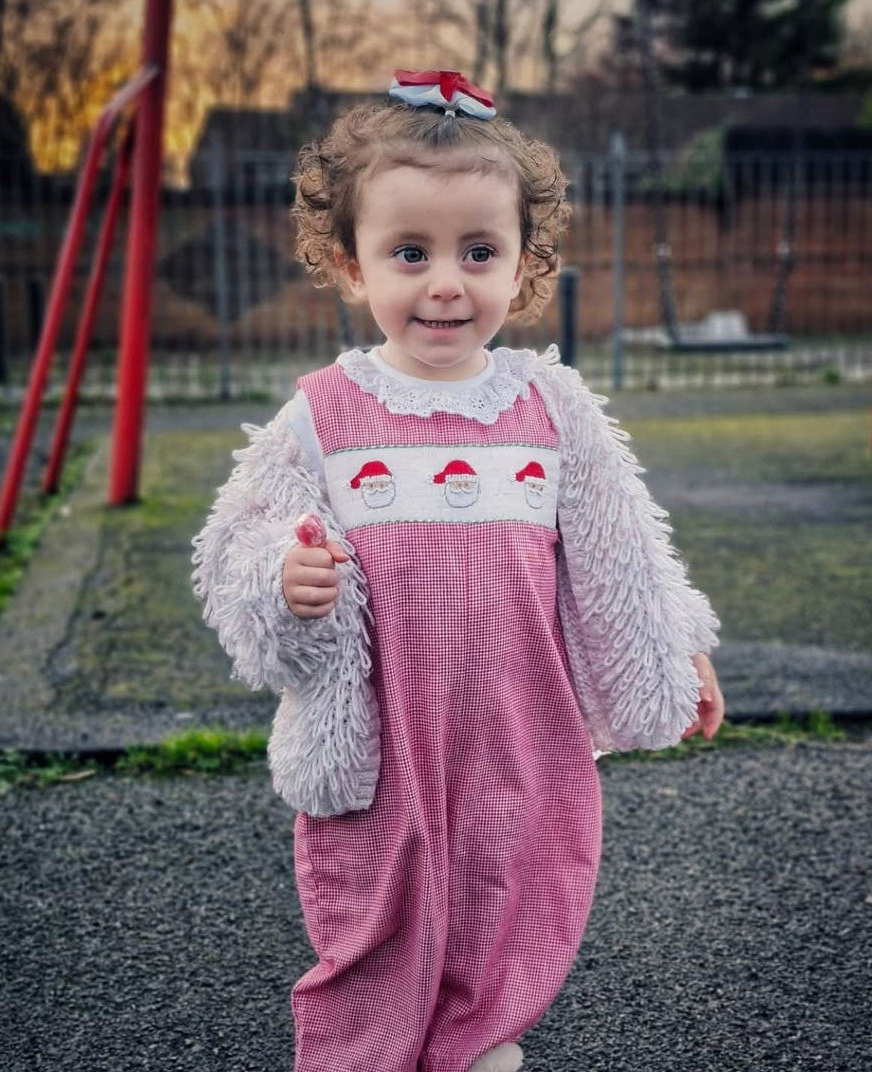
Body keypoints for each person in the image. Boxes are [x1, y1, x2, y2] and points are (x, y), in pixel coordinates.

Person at [192, 68, 725, 1072]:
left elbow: (621, 550)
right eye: (411, 252)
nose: (446, 282)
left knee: (507, 889)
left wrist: (677, 647)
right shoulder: (324, 414)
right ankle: (366, 1049)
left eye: (479, 252)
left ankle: (479, 1040)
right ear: (351, 266)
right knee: (376, 908)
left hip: (520, 725)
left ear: (524, 266)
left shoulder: (549, 408)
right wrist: (282, 579)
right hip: (388, 731)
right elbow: (235, 543)